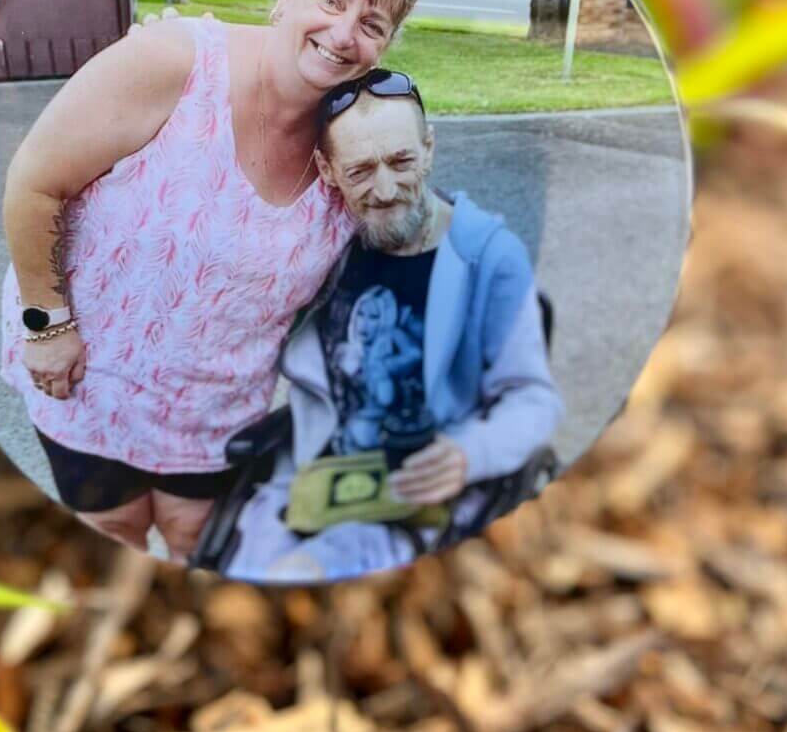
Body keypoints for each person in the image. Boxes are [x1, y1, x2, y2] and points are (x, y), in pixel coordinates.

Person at [0, 0, 419, 561]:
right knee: (112, 539)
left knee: (200, 541)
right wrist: (46, 324)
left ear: (384, 47)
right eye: (332, 1)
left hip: (220, 412)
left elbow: (390, 256)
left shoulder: (353, 139)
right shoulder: (173, 62)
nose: (343, 34)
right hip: (90, 387)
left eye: (372, 25)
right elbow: (32, 182)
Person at [225, 70, 564, 582]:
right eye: (360, 170)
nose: (385, 190)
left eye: (402, 161)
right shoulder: (320, 249)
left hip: (426, 495)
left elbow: (533, 397)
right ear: (328, 169)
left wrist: (473, 452)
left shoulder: (490, 258)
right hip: (318, 478)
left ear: (428, 149)